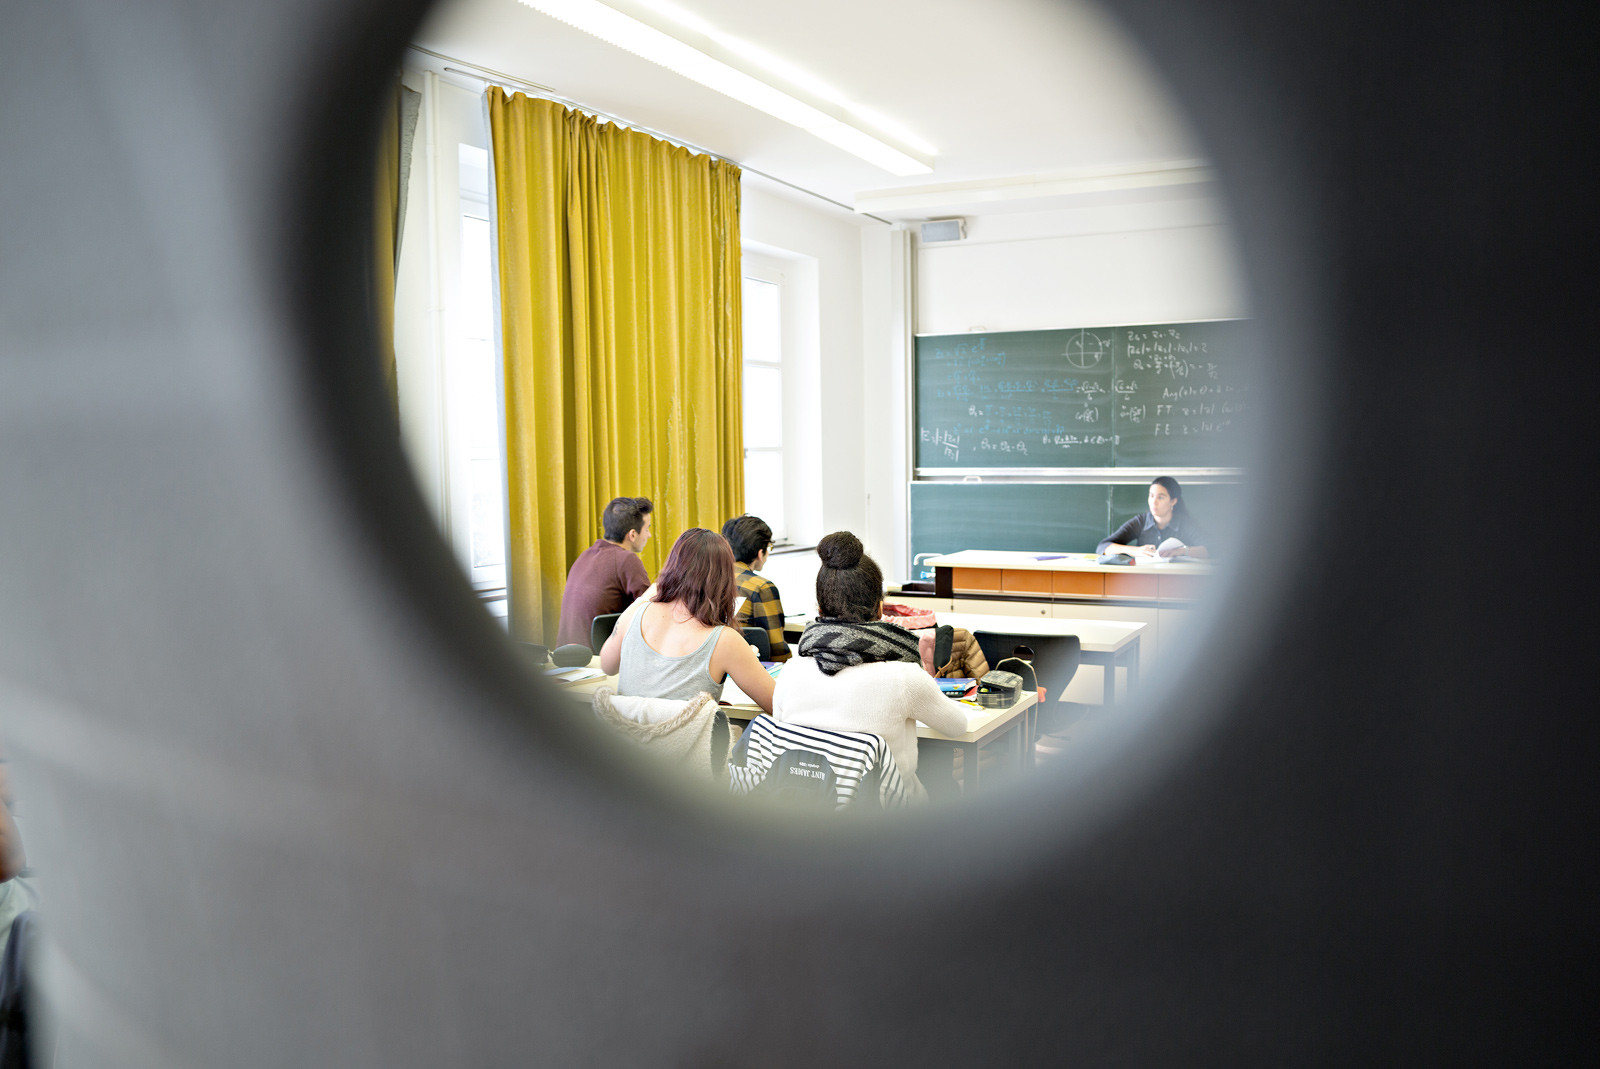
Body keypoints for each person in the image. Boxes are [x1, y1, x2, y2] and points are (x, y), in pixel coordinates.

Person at [771, 531, 969, 799]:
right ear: (880, 609)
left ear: (819, 608)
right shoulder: (904, 676)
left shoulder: (792, 670)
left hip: (807, 809)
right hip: (886, 814)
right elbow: (957, 726)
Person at [599, 528, 776, 713]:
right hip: (685, 733)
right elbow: (777, 705)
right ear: (724, 579)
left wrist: (645, 597)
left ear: (672, 566)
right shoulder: (725, 640)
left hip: (624, 730)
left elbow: (607, 666)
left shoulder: (635, 613)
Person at [556, 496, 654, 649]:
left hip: (565, 655)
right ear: (632, 535)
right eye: (647, 529)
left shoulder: (585, 555)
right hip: (595, 659)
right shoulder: (626, 560)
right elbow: (652, 611)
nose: (649, 535)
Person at [720, 514, 790, 662]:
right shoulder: (761, 587)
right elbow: (777, 649)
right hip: (749, 665)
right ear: (760, 553)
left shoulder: (709, 580)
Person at [1097, 475, 1210, 559]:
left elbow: (1211, 549)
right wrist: (1136, 551)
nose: (1153, 502)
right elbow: (1103, 547)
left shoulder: (1184, 523)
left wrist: (1182, 551)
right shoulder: (1141, 521)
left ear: (1173, 501)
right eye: (1151, 496)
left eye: (1160, 497)